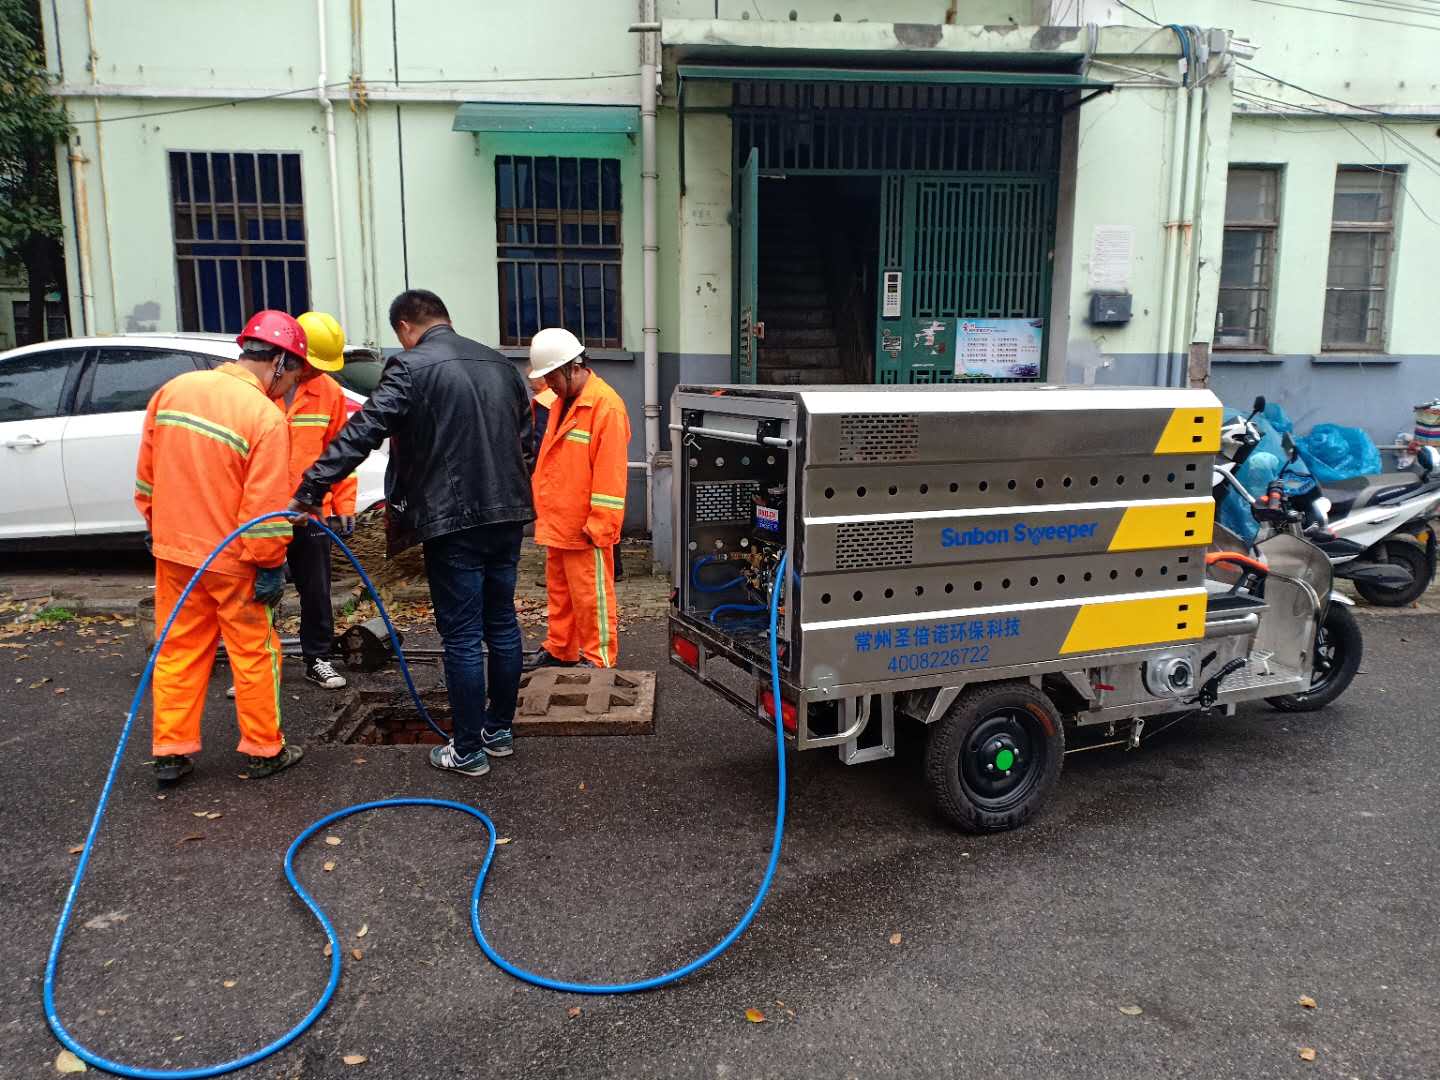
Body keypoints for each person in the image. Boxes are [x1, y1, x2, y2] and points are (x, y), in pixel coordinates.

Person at [288, 290, 534, 778]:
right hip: (508, 513)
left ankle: (467, 751)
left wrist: (313, 486)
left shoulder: (410, 366)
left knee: (462, 636)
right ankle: (498, 732)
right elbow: (526, 442)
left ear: (404, 327)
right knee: (502, 623)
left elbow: (365, 430)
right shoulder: (499, 364)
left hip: (453, 520)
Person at [134, 310, 309, 786]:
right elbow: (265, 507)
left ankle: (170, 752)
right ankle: (264, 750)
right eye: (293, 377)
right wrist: (270, 564)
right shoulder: (264, 416)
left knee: (179, 649)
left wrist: (155, 524)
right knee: (254, 652)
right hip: (232, 561)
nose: (288, 388)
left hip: (175, 553)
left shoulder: (175, 391)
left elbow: (147, 474)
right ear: (279, 362)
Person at [524, 327, 631, 671]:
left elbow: (611, 475)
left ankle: (598, 659)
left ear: (573, 367)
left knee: (591, 597)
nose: (548, 384)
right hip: (560, 522)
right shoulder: (562, 402)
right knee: (560, 593)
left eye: (552, 377)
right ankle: (561, 648)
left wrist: (600, 525)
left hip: (585, 528)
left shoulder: (605, 406)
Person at [284, 311, 357, 690]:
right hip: (262, 511)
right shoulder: (261, 388)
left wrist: (344, 505)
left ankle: (318, 658)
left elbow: (339, 453)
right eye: (311, 363)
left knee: (316, 590)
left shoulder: (328, 391)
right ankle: (256, 665)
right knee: (257, 590)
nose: (314, 371)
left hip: (311, 512)